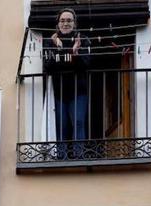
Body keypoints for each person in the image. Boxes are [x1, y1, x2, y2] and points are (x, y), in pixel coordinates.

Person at [43, 8, 91, 156]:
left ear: (74, 23)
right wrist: (61, 48)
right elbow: (49, 66)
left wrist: (75, 53)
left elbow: (85, 64)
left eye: (69, 20)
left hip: (78, 91)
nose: (65, 23)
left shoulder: (83, 40)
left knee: (78, 122)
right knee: (61, 126)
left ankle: (79, 156)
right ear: (58, 24)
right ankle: (61, 157)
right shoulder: (50, 42)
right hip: (59, 93)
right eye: (62, 20)